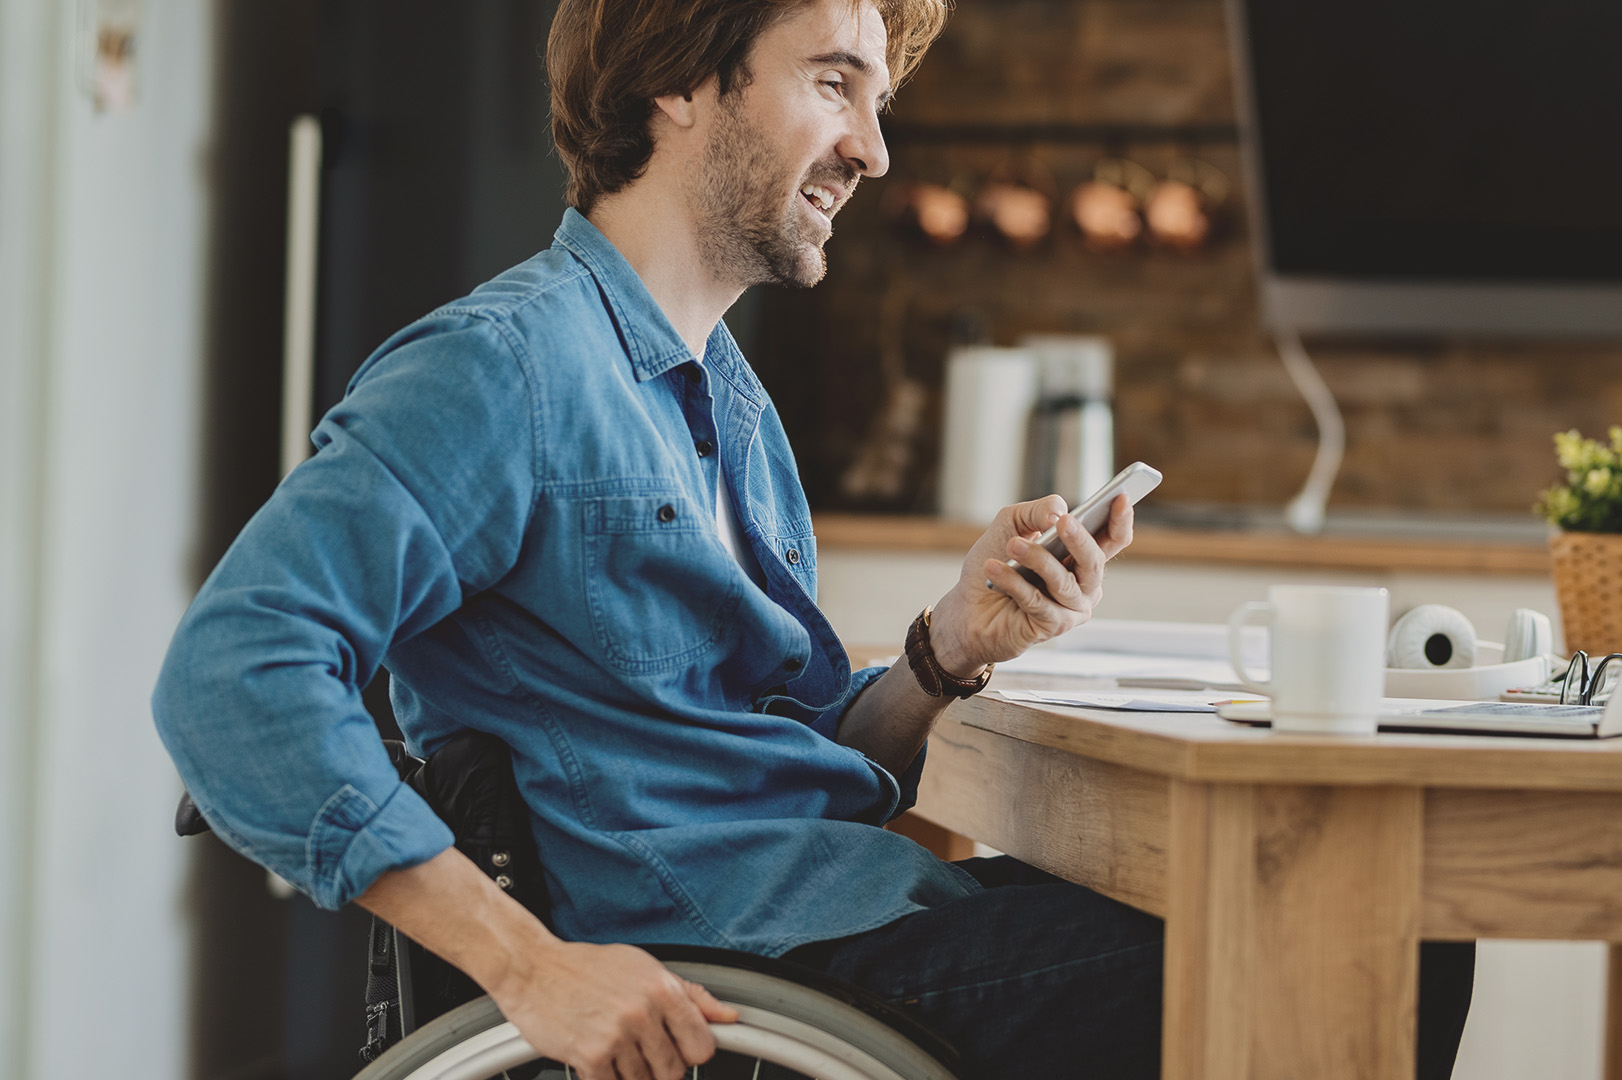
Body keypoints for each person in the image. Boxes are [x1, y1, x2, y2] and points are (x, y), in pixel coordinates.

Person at [153, 1, 1473, 1077]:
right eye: (836, 82)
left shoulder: (727, 399)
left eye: (877, 102)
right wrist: (529, 968)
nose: (873, 148)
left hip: (843, 921)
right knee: (1371, 938)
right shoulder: (506, 369)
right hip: (754, 983)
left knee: (1383, 916)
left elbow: (757, 760)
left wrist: (951, 651)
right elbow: (233, 674)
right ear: (681, 79)